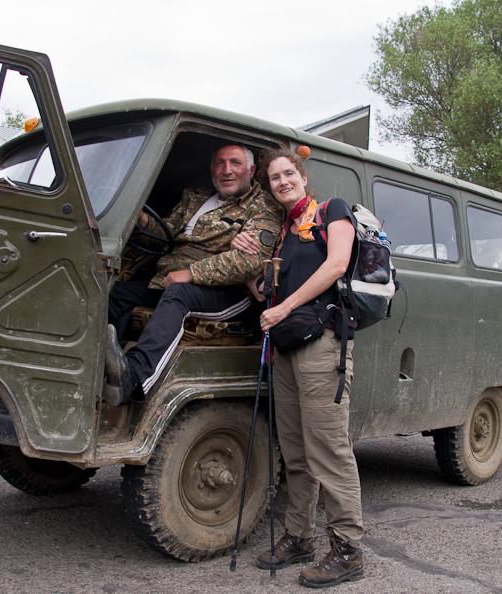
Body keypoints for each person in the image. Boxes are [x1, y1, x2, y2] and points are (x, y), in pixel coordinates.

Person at [232, 147, 364, 588]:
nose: (282, 181)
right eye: (273, 178)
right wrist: (249, 256)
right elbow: (262, 294)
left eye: (289, 173)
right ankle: (299, 537)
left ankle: (347, 549)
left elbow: (337, 264)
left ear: (303, 177)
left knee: (328, 447)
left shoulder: (333, 211)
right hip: (286, 349)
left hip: (323, 344)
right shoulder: (283, 234)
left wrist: (283, 307)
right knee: (295, 451)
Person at [105, 144, 283, 402]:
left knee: (178, 293)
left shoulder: (263, 206)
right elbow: (163, 237)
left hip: (227, 294)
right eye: (220, 164)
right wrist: (142, 219)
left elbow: (250, 261)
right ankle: (99, 362)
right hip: (168, 281)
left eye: (235, 163)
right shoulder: (195, 197)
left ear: (251, 170)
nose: (226, 170)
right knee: (115, 293)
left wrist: (191, 273)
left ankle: (134, 375)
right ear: (212, 170)